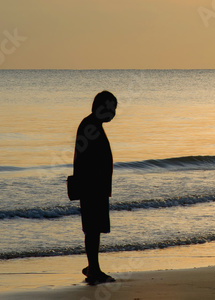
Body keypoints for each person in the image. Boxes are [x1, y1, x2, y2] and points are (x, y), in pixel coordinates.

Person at [73, 90, 117, 285]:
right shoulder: (90, 125)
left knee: (94, 229)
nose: (112, 113)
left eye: (114, 109)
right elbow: (84, 158)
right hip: (92, 186)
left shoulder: (93, 124)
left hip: (95, 186)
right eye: (109, 108)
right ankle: (94, 269)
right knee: (92, 230)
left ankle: (93, 267)